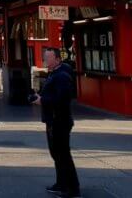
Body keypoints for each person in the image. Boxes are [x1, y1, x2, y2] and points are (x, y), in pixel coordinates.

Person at [31, 48, 80, 198]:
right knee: (56, 154)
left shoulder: (62, 76)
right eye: (44, 57)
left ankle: (73, 189)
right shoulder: (54, 73)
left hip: (60, 119)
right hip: (52, 119)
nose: (45, 60)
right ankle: (61, 183)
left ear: (58, 59)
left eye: (48, 57)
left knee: (63, 154)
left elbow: (62, 99)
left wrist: (43, 100)